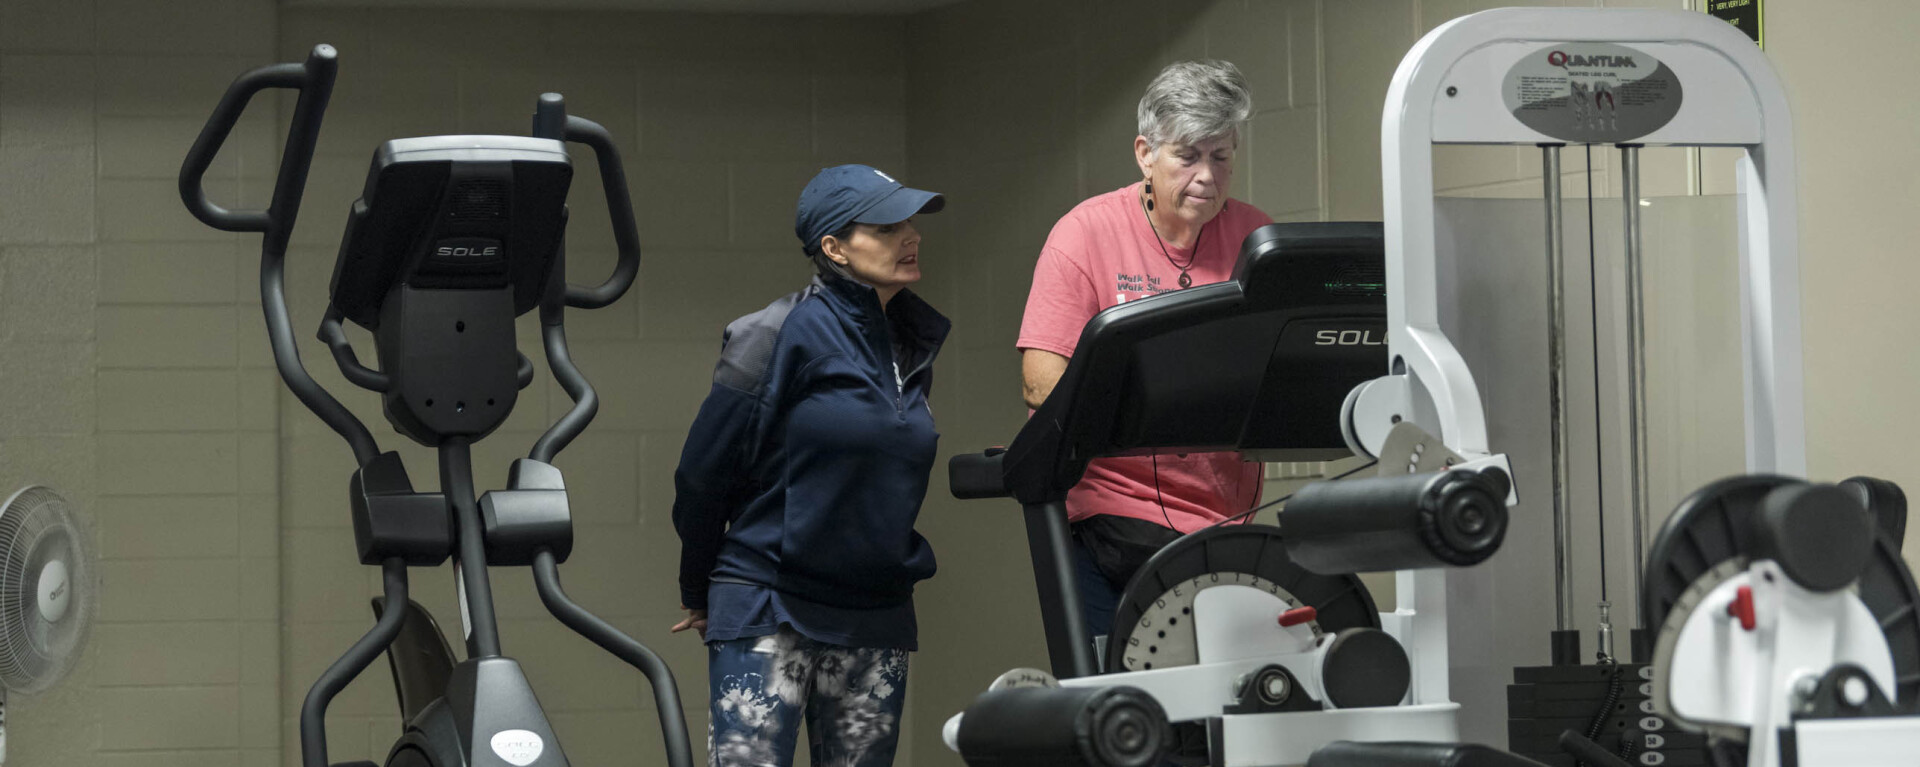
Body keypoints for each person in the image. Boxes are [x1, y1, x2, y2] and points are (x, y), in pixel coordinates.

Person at [670, 164, 948, 767]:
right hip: (771, 601)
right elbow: (702, 473)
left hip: (875, 612)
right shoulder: (774, 334)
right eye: (887, 225)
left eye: (911, 222)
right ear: (833, 248)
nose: (911, 235)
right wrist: (699, 588)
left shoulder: (911, 343)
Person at [1016, 60, 1272, 644]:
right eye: (1188, 156)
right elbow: (1041, 382)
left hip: (1222, 519)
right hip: (1112, 512)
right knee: (1126, 701)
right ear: (1145, 153)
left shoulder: (1257, 239)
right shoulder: (1085, 233)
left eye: (1222, 156)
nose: (1207, 175)